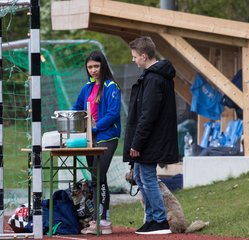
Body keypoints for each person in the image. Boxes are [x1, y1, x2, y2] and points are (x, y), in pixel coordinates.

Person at [123, 36, 179, 235]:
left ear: (144, 56)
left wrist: (137, 143)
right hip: (150, 139)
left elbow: (148, 114)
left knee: (147, 177)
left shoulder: (154, 79)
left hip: (151, 140)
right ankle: (151, 219)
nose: (133, 60)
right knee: (139, 175)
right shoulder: (152, 76)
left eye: (135, 57)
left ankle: (159, 220)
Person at [72, 50, 121, 235]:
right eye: (90, 66)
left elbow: (113, 113)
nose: (93, 70)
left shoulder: (111, 86)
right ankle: (101, 220)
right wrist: (71, 118)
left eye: (96, 66)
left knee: (98, 176)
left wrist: (95, 128)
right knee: (96, 179)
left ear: (103, 66)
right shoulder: (87, 87)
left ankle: (102, 220)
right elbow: (77, 107)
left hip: (107, 137)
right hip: (90, 139)